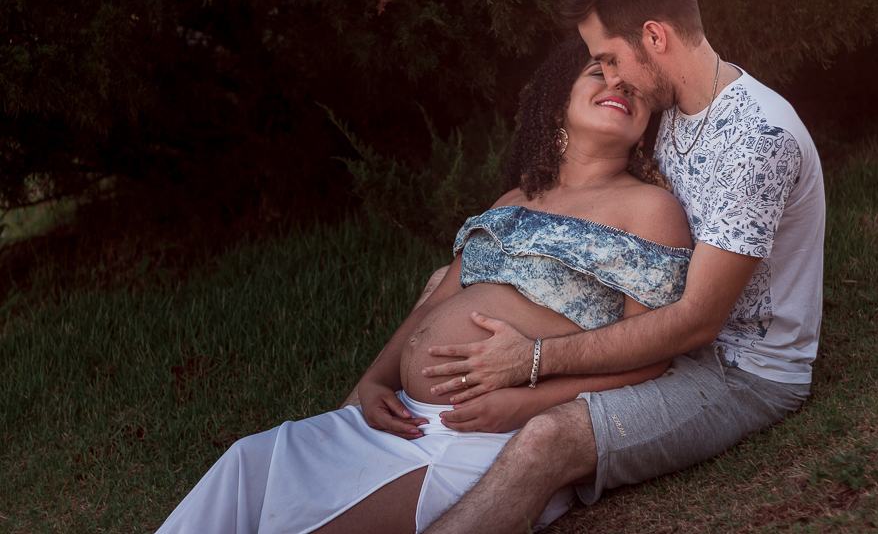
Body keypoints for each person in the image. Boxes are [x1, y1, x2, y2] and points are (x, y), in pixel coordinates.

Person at [154, 36, 694, 534]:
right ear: (556, 103)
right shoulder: (511, 203)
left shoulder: (648, 209)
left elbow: (648, 356)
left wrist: (526, 408)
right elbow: (435, 305)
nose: (617, 86)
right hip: (402, 421)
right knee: (250, 462)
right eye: (598, 73)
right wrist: (373, 383)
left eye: (634, 88)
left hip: (482, 435)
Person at [417, 0, 825, 534]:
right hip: (653, 327)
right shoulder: (673, 112)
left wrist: (533, 361)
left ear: (655, 38)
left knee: (547, 440)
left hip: (737, 370)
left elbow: (696, 324)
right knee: (444, 285)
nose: (609, 77)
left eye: (609, 58)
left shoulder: (756, 139)